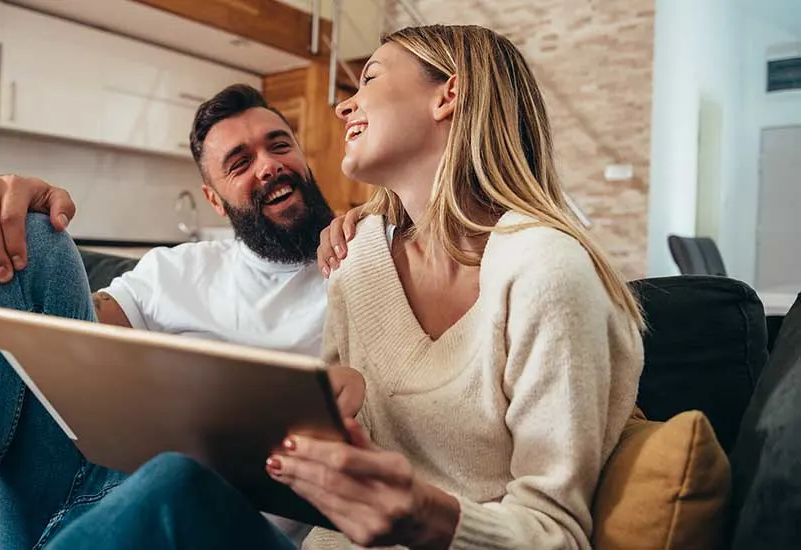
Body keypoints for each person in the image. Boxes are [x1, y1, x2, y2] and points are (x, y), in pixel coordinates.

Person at [39, 24, 647, 550]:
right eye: (239, 161)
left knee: (170, 490)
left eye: (371, 79)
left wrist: (426, 515)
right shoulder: (360, 262)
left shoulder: (547, 272)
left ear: (449, 95)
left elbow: (560, 533)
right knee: (176, 481)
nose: (340, 108)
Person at [0, 84, 362, 549]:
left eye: (279, 146)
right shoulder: (179, 268)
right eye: (240, 163)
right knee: (28, 236)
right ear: (213, 199)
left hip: (198, 521)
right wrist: (8, 203)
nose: (269, 165)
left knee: (181, 479)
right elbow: (75, 325)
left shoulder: (364, 265)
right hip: (75, 493)